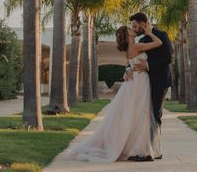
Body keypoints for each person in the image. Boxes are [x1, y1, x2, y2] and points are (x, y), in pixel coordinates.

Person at [70, 20, 164, 163]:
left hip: (135, 82)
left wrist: (129, 69)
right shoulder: (136, 46)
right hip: (139, 83)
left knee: (135, 115)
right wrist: (151, 33)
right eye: (130, 29)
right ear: (127, 35)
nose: (133, 28)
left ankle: (138, 148)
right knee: (140, 114)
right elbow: (159, 43)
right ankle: (138, 149)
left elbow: (132, 64)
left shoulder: (130, 49)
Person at [124, 12, 173, 161]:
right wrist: (127, 69)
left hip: (160, 82)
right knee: (146, 115)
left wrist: (148, 65)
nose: (135, 28)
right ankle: (150, 150)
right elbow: (134, 56)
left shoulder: (162, 35)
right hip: (145, 83)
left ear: (144, 23)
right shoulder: (143, 39)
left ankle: (151, 152)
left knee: (155, 115)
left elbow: (168, 57)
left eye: (136, 25)